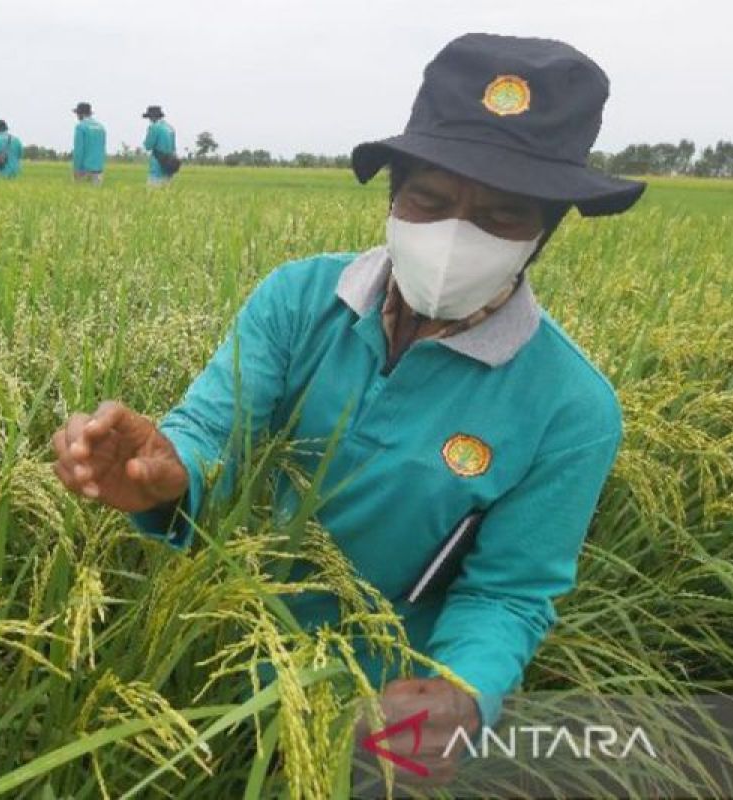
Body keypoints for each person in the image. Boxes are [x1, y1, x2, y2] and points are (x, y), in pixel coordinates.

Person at [50, 33, 645, 785]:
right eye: (429, 199)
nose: (455, 232)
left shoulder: (571, 407)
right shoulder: (300, 301)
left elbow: (511, 593)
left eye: (501, 215)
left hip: (380, 708)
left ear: (545, 233)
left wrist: (464, 693)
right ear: (394, 194)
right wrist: (168, 472)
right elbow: (208, 430)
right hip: (214, 660)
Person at [71, 101, 106, 185]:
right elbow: (102, 148)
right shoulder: (101, 127)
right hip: (99, 169)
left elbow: (78, 150)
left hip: (84, 169)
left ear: (81, 114)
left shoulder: (80, 127)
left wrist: (76, 169)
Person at [141, 105, 176, 186]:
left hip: (157, 167)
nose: (149, 119)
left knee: (152, 194)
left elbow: (148, 146)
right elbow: (173, 148)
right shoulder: (170, 128)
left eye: (149, 117)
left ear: (153, 116)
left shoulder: (154, 127)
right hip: (169, 167)